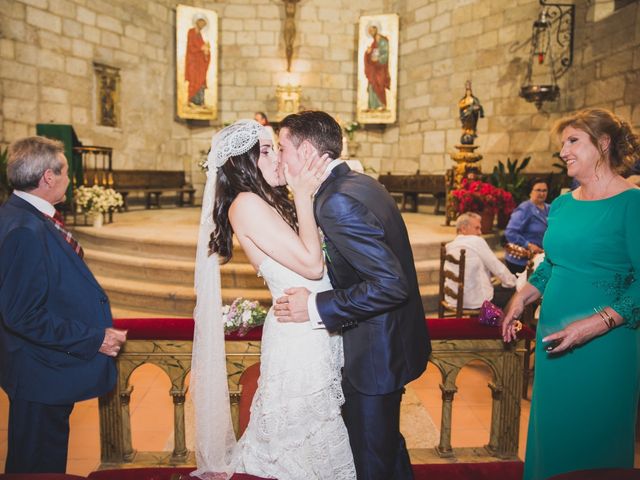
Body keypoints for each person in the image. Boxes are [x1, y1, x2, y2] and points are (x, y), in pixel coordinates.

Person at [190, 120, 356, 480]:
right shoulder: (246, 204)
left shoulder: (266, 200)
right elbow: (312, 265)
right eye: (266, 151)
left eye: (277, 148)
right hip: (297, 341)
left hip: (310, 325)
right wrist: (302, 193)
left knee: (307, 437)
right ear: (242, 163)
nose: (278, 157)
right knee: (301, 442)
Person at [273, 111, 431, 480]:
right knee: (386, 448)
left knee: (369, 460)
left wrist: (313, 306)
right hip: (391, 343)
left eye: (282, 148)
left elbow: (389, 284)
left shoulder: (336, 202)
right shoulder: (360, 183)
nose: (280, 157)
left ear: (307, 150)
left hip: (375, 354)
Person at [501, 108, 640, 480]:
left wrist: (594, 325)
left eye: (573, 141)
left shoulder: (632, 203)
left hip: (606, 343)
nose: (563, 150)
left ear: (603, 143)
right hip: (554, 337)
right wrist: (522, 297)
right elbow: (552, 264)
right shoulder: (562, 204)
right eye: (563, 143)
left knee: (593, 433)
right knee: (553, 430)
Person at [0, 136, 126, 473]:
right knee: (37, 465)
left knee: (41, 458)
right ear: (47, 178)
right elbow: (22, 315)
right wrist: (92, 337)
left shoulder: (22, 214)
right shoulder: (25, 229)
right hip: (39, 373)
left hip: (43, 370)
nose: (71, 179)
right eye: (66, 172)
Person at [446, 212, 517, 310]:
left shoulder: (450, 246)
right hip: (475, 302)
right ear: (463, 229)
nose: (480, 232)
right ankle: (501, 324)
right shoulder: (476, 241)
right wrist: (514, 283)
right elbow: (497, 268)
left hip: (453, 300)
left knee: (497, 287)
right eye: (477, 228)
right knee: (518, 294)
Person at [503, 179, 550, 274]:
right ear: (530, 192)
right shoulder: (524, 209)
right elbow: (510, 232)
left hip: (541, 259)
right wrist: (528, 245)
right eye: (538, 190)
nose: (542, 193)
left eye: (544, 190)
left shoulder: (550, 208)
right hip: (521, 261)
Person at [364, 22, 391, 111]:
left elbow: (385, 54)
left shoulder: (382, 40)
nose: (371, 32)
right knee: (372, 86)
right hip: (373, 70)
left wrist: (378, 59)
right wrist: (367, 53)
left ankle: (382, 104)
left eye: (372, 30)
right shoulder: (373, 42)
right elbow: (370, 56)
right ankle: (372, 106)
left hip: (380, 69)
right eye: (370, 31)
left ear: (376, 29)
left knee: (379, 85)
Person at [185, 13, 211, 107]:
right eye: (201, 23)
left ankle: (200, 102)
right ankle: (191, 100)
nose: (202, 26)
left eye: (204, 24)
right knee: (194, 81)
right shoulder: (191, 32)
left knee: (201, 82)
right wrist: (202, 48)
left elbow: (203, 50)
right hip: (193, 63)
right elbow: (191, 48)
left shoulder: (200, 36)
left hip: (200, 64)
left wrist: (207, 52)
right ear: (197, 22)